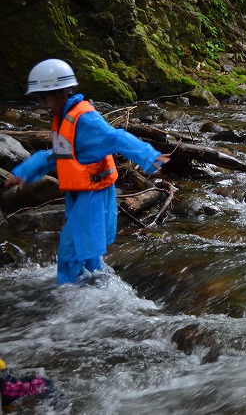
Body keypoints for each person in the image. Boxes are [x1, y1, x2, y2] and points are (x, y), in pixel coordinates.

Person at [3, 59, 169, 285]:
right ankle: (96, 287)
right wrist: (24, 172)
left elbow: (116, 137)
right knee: (87, 249)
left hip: (93, 194)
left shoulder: (85, 119)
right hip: (81, 192)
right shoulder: (64, 118)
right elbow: (55, 155)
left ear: (59, 93)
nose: (41, 104)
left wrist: (148, 156)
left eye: (42, 98)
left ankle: (69, 294)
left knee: (71, 250)